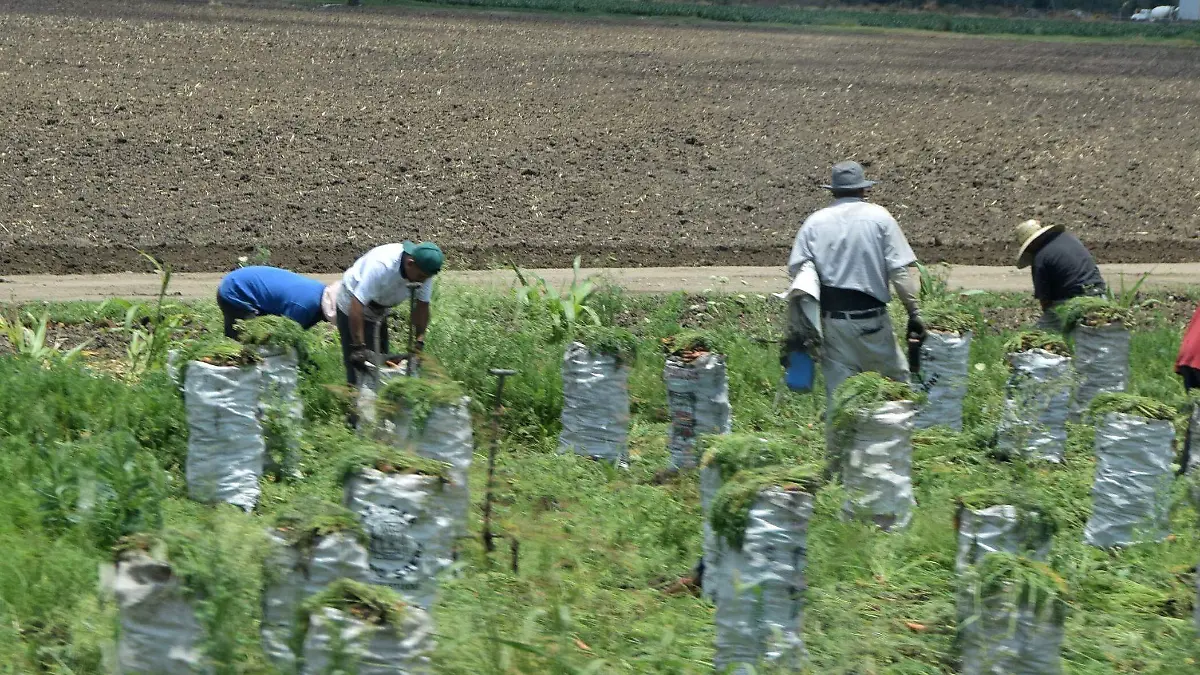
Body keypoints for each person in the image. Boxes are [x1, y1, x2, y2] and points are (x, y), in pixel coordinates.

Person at [787, 160, 925, 429]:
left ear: (833, 191)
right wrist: (915, 313)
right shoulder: (880, 218)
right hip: (871, 322)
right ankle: (893, 443)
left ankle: (841, 449)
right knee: (895, 387)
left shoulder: (814, 223)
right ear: (863, 190)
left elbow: (800, 275)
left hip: (832, 323)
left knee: (841, 398)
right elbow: (899, 273)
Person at [336, 241, 444, 385]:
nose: (423, 282)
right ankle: (354, 394)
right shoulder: (382, 266)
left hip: (380, 309)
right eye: (420, 277)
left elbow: (422, 307)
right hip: (352, 304)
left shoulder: (423, 272)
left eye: (426, 278)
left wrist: (419, 342)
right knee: (360, 368)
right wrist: (358, 347)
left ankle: (379, 393)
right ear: (410, 263)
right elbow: (357, 303)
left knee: (383, 365)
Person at [1013, 219, 1106, 331]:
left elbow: (1045, 301)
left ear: (1031, 244)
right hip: (1100, 293)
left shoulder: (1040, 259)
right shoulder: (1067, 238)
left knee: (1038, 334)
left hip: (1075, 301)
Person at [216, 266, 339, 339]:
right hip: (235, 292)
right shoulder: (304, 307)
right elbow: (285, 336)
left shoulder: (320, 291)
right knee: (247, 342)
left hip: (242, 283)